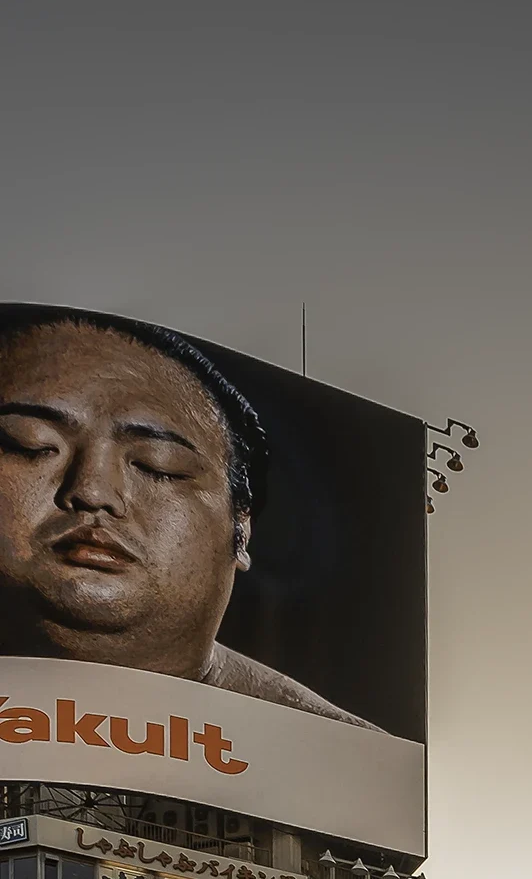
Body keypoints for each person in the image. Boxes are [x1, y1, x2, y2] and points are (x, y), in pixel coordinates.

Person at [0, 307, 370, 722]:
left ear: (241, 527)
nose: (93, 492)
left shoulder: (341, 753)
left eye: (159, 465)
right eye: (30, 443)